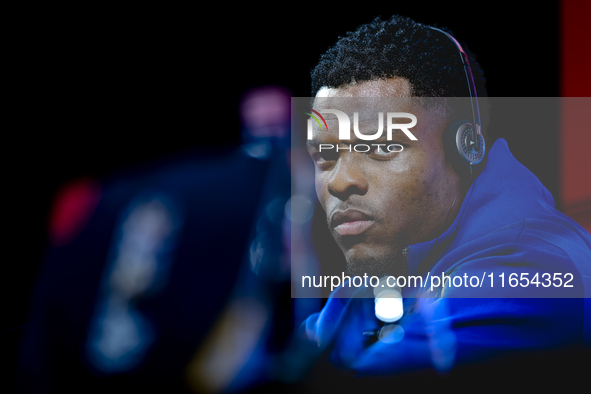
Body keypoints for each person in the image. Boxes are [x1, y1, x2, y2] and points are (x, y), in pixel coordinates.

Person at [300, 15, 591, 385]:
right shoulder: (389, 268)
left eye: (382, 147)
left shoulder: (537, 272)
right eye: (325, 155)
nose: (341, 181)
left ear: (465, 147)